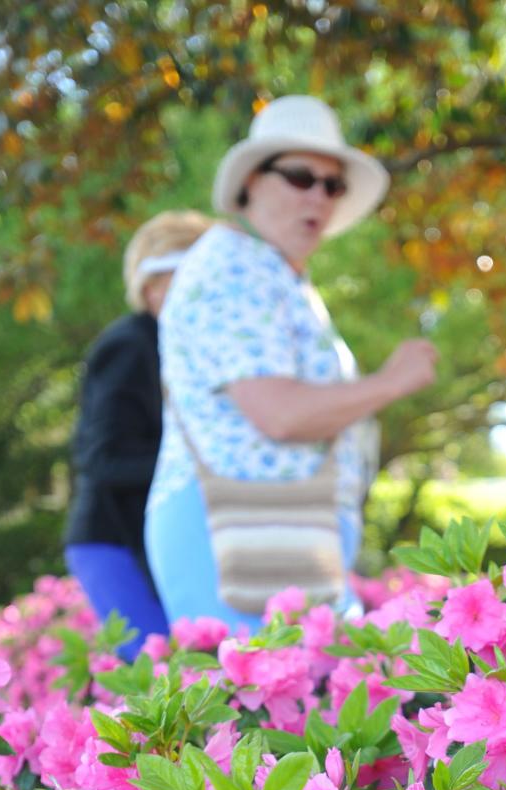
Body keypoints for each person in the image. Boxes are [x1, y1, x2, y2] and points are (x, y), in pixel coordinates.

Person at [145, 95, 437, 631]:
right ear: (250, 182)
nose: (320, 197)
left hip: (281, 533)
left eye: (333, 185)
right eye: (301, 177)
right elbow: (278, 413)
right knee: (249, 711)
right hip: (234, 533)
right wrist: (390, 383)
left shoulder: (275, 272)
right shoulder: (234, 266)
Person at [63, 210, 210, 654]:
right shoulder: (130, 344)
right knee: (163, 680)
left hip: (154, 537)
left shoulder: (188, 348)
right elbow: (100, 459)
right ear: (151, 287)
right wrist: (205, 468)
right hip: (113, 541)